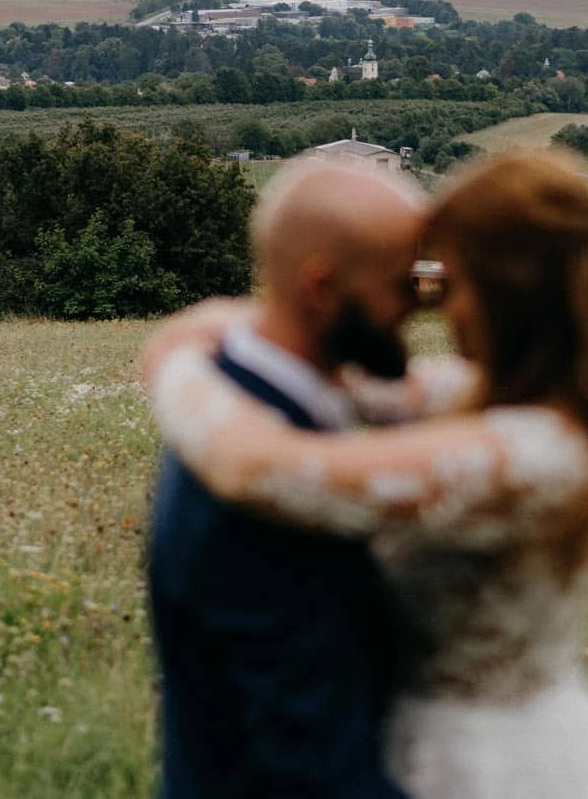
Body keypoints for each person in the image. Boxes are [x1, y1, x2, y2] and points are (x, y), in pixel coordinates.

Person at [143, 149, 588, 799]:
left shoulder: (532, 455)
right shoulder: (495, 399)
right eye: (417, 285)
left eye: (446, 285)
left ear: (505, 298)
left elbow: (255, 464)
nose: (430, 308)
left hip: (495, 762)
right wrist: (237, 326)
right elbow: (361, 384)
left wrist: (172, 365)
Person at [143, 157, 440, 799]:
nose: (415, 308)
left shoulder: (246, 403)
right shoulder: (255, 497)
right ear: (324, 288)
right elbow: (316, 769)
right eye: (401, 285)